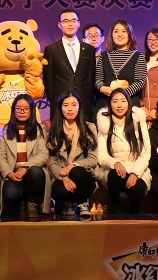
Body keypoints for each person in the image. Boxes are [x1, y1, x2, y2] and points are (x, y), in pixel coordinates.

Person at [96, 89, 151, 214]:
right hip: (115, 170)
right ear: (110, 104)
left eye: (123, 101)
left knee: (136, 189)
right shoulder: (104, 123)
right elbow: (101, 153)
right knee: (115, 175)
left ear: (128, 103)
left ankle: (134, 209)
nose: (119, 105)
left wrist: (135, 173)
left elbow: (145, 152)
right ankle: (115, 205)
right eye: (115, 101)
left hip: (137, 168)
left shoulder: (138, 120)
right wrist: (114, 163)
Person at [46, 90, 98, 219]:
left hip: (84, 176)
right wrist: (63, 177)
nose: (70, 109)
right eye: (66, 105)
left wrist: (72, 166)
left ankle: (82, 203)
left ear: (79, 107)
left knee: (77, 172)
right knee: (59, 190)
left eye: (74, 105)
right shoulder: (54, 130)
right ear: (60, 108)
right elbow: (53, 161)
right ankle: (67, 204)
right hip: (61, 175)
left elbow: (93, 159)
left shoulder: (89, 128)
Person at [0, 94, 49, 217]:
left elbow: (43, 154)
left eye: (26, 109)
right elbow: (0, 157)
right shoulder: (4, 130)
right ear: (13, 110)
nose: (22, 111)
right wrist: (9, 173)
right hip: (12, 173)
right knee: (11, 194)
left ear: (31, 111)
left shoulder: (40, 129)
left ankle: (32, 204)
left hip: (31, 172)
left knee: (36, 172)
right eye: (18, 108)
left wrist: (25, 168)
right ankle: (20, 203)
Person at [43, 8, 96, 121]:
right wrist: (56, 102)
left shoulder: (89, 50)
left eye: (73, 20)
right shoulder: (51, 50)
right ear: (59, 25)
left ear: (78, 23)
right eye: (65, 21)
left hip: (84, 106)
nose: (70, 24)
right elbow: (48, 81)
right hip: (60, 106)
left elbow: (91, 79)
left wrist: (88, 101)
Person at [95, 20, 147, 112]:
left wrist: (122, 94)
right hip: (106, 104)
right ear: (111, 35)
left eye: (124, 31)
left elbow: (140, 81)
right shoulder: (103, 56)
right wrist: (102, 88)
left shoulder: (138, 56)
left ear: (129, 35)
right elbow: (97, 79)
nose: (119, 35)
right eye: (116, 31)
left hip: (130, 103)